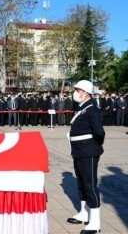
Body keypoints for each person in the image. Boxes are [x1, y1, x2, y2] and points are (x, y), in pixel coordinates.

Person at [67, 80, 105, 234]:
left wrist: (93, 146)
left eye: (78, 90)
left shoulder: (92, 109)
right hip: (78, 150)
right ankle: (84, 213)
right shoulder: (82, 107)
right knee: (81, 184)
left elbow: (99, 132)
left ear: (86, 92)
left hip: (88, 151)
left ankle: (95, 222)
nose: (75, 93)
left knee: (90, 185)